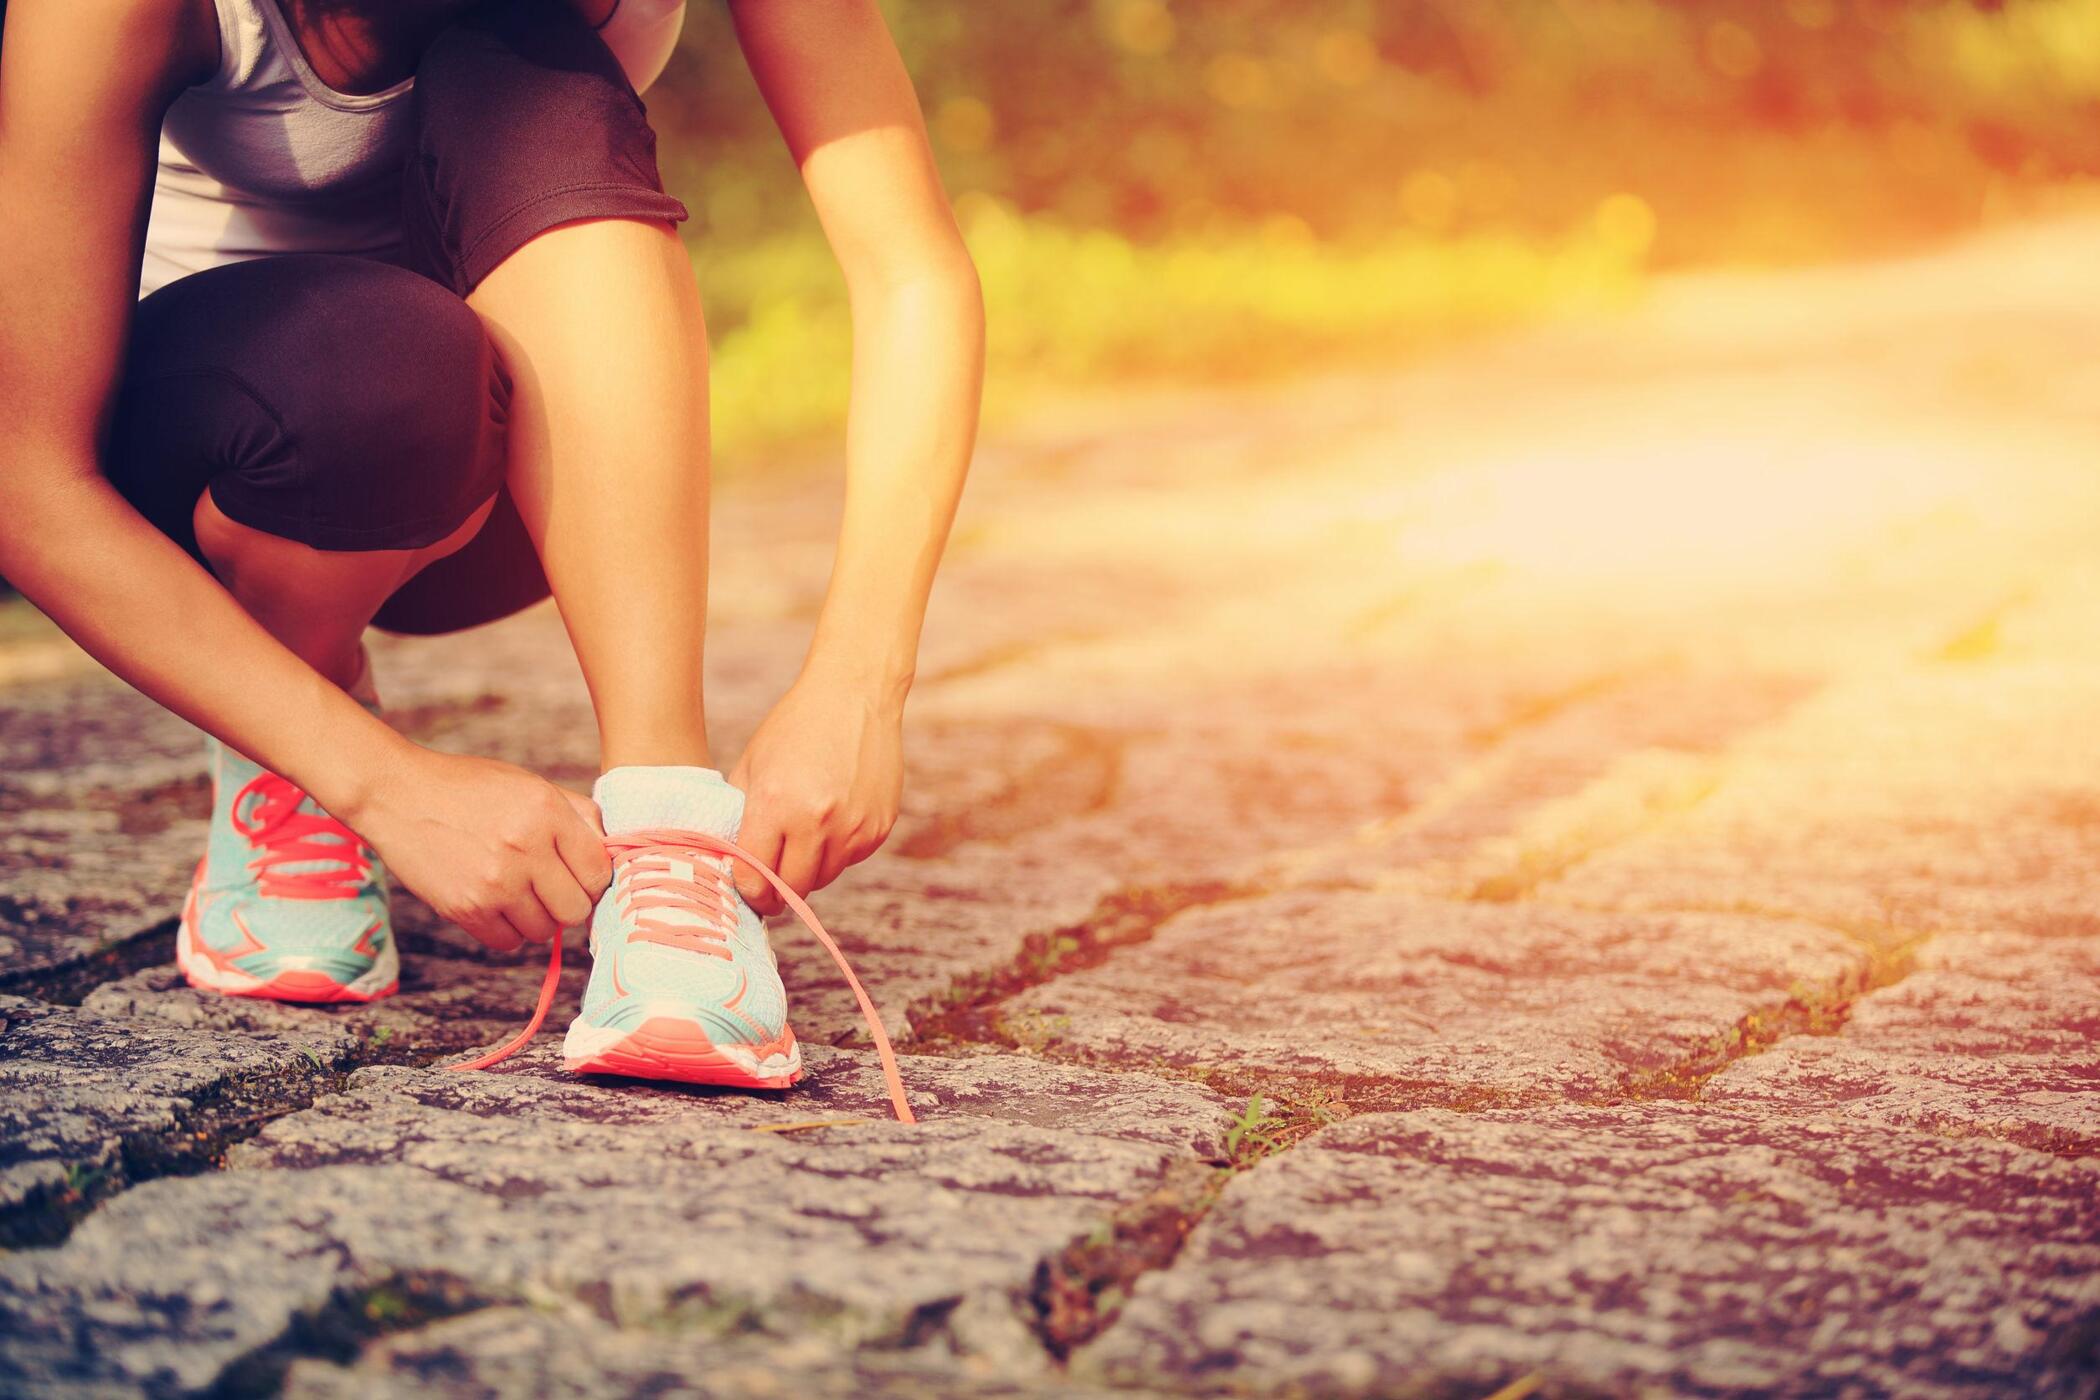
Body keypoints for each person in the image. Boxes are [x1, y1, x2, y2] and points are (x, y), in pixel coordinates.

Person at [0, 0, 985, 1098]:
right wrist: (380, 782)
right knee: (377, 364)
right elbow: (27, 481)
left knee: (536, 75)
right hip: (214, 473)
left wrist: (860, 684)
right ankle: (290, 743)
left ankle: (668, 831)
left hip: (529, 473)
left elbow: (912, 271)